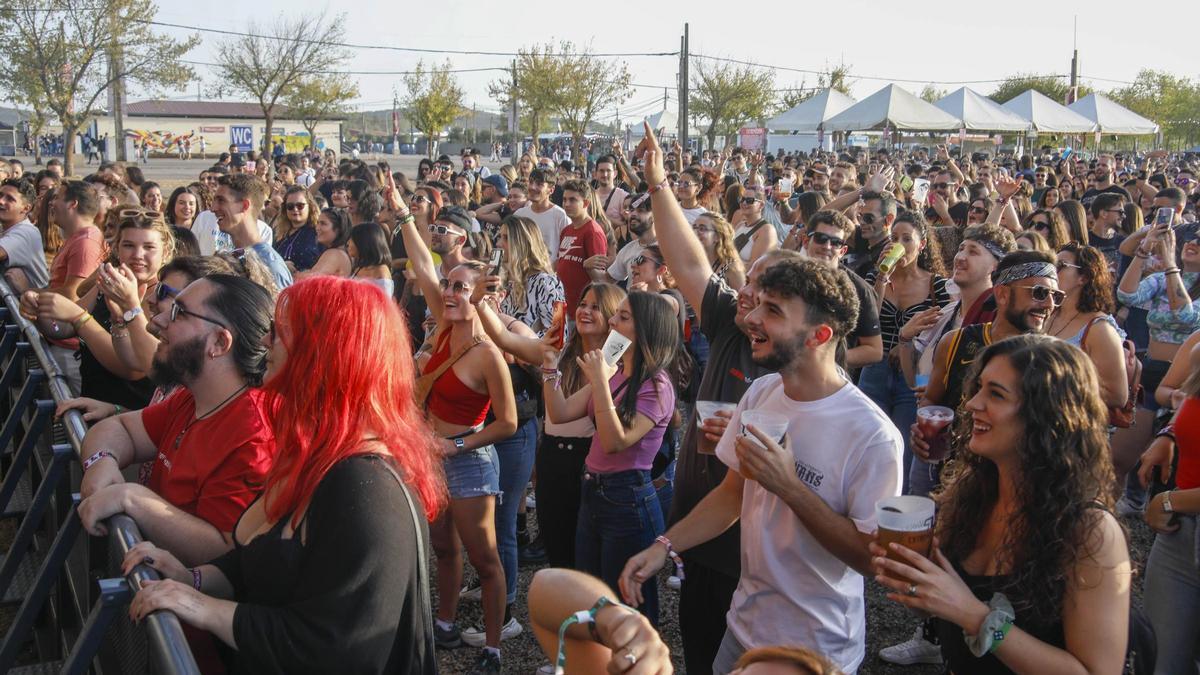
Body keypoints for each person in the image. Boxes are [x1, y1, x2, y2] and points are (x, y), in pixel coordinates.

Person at [121, 276, 445, 674]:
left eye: (278, 334)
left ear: (322, 352)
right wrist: (194, 578)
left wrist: (205, 609)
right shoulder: (316, 454)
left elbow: (338, 648)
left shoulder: (365, 487)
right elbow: (264, 561)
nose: (264, 343)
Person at [621, 256, 903, 674]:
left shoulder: (872, 436)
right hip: (743, 627)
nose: (751, 318)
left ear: (819, 334)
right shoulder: (762, 393)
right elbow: (732, 495)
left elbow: (870, 559)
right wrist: (665, 546)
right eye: (759, 305)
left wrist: (789, 486)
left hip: (813, 649)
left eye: (772, 311)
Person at [871, 335, 1131, 675]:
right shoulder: (968, 494)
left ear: (1047, 414)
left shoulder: (1090, 531)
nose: (973, 403)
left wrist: (974, 617)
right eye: (979, 388)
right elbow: (941, 606)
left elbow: (1098, 671)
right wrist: (915, 582)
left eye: (996, 394)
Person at [396, 189, 518, 674]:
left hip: (467, 460)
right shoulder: (440, 329)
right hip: (429, 458)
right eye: (448, 286)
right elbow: (423, 265)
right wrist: (405, 214)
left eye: (461, 288)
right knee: (442, 548)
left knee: (484, 558)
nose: (448, 292)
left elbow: (507, 423)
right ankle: (444, 621)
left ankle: (492, 645)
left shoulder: (488, 352)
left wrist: (457, 444)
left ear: (482, 295)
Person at [76, 275, 276, 566]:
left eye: (178, 313)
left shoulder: (253, 435)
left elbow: (225, 552)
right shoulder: (194, 397)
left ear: (219, 342)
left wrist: (132, 499)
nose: (155, 322)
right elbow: (118, 428)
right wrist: (101, 461)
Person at [542, 291, 685, 627]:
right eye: (615, 314)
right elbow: (560, 412)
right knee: (593, 596)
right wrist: (549, 367)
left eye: (623, 317)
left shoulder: (657, 385)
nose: (611, 321)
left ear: (646, 329)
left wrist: (599, 382)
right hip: (593, 491)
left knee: (625, 609)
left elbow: (614, 441)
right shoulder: (614, 370)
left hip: (627, 501)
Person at [862, 211, 950, 490]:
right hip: (874, 370)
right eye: (893, 238)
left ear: (921, 245)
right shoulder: (876, 277)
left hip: (912, 376)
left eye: (906, 239)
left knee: (904, 449)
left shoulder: (936, 285)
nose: (898, 244)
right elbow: (869, 321)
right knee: (868, 442)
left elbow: (941, 334)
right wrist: (881, 278)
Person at [1137, 336, 1200, 673]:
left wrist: (1170, 501)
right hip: (1180, 537)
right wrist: (1171, 434)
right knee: (1159, 662)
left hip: (1178, 511)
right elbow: (1184, 396)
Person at [1046, 243, 1129, 410]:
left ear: (1083, 278)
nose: (1052, 270)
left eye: (1060, 266)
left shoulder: (1099, 330)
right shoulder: (1047, 312)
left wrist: (1057, 386)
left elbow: (1117, 395)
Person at [210, 175, 291, 288]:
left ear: (244, 205)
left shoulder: (269, 266)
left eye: (221, 200)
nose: (213, 208)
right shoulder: (232, 257)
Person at [497, 215, 564, 335]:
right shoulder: (505, 281)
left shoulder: (546, 282)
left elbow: (559, 336)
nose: (499, 243)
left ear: (523, 243)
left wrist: (522, 343)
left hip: (530, 353)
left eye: (506, 238)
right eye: (500, 237)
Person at [556, 179, 608, 316]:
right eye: (564, 199)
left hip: (581, 310)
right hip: (561, 305)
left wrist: (588, 266)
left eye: (572, 200)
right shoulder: (566, 230)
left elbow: (600, 281)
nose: (566, 204)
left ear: (585, 203)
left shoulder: (593, 232)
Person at [0, 178, 50, 291]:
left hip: (34, 305)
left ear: (26, 208)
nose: (1, 201)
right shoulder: (6, 229)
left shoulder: (25, 232)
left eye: (10, 199)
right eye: (0, 195)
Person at [515, 168, 570, 264]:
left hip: (549, 275)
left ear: (551, 190)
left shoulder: (561, 216)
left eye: (539, 184)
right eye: (531, 182)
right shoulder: (519, 215)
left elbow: (567, 253)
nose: (532, 187)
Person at [271, 186, 323, 273]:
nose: (295, 209)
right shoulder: (279, 233)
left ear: (310, 206)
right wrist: (282, 265)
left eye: (300, 206)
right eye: (290, 206)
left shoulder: (319, 232)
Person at [691, 212, 746, 290]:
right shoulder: (693, 262)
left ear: (717, 237)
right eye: (694, 227)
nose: (696, 232)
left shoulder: (732, 268)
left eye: (702, 229)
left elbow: (741, 298)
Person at [296, 207, 351, 279]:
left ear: (338, 229)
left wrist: (293, 273)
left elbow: (309, 281)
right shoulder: (340, 253)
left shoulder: (335, 254)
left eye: (323, 224)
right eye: (317, 223)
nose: (317, 228)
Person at [731, 185, 777, 264]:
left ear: (761, 205)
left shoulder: (766, 230)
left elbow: (755, 267)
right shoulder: (740, 225)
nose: (744, 203)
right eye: (742, 199)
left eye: (749, 200)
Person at [347, 222, 393, 297]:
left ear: (363, 243)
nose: (348, 243)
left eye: (352, 239)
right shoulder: (359, 268)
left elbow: (384, 302)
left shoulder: (381, 271)